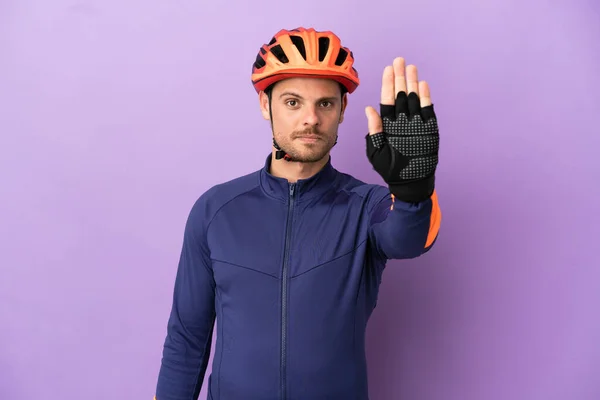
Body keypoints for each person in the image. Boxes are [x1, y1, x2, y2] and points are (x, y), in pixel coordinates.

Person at [154, 27, 441, 400]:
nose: (310, 119)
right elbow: (187, 337)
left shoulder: (366, 206)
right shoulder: (215, 210)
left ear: (342, 110)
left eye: (325, 103)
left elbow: (409, 240)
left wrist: (412, 189)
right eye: (292, 102)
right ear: (264, 105)